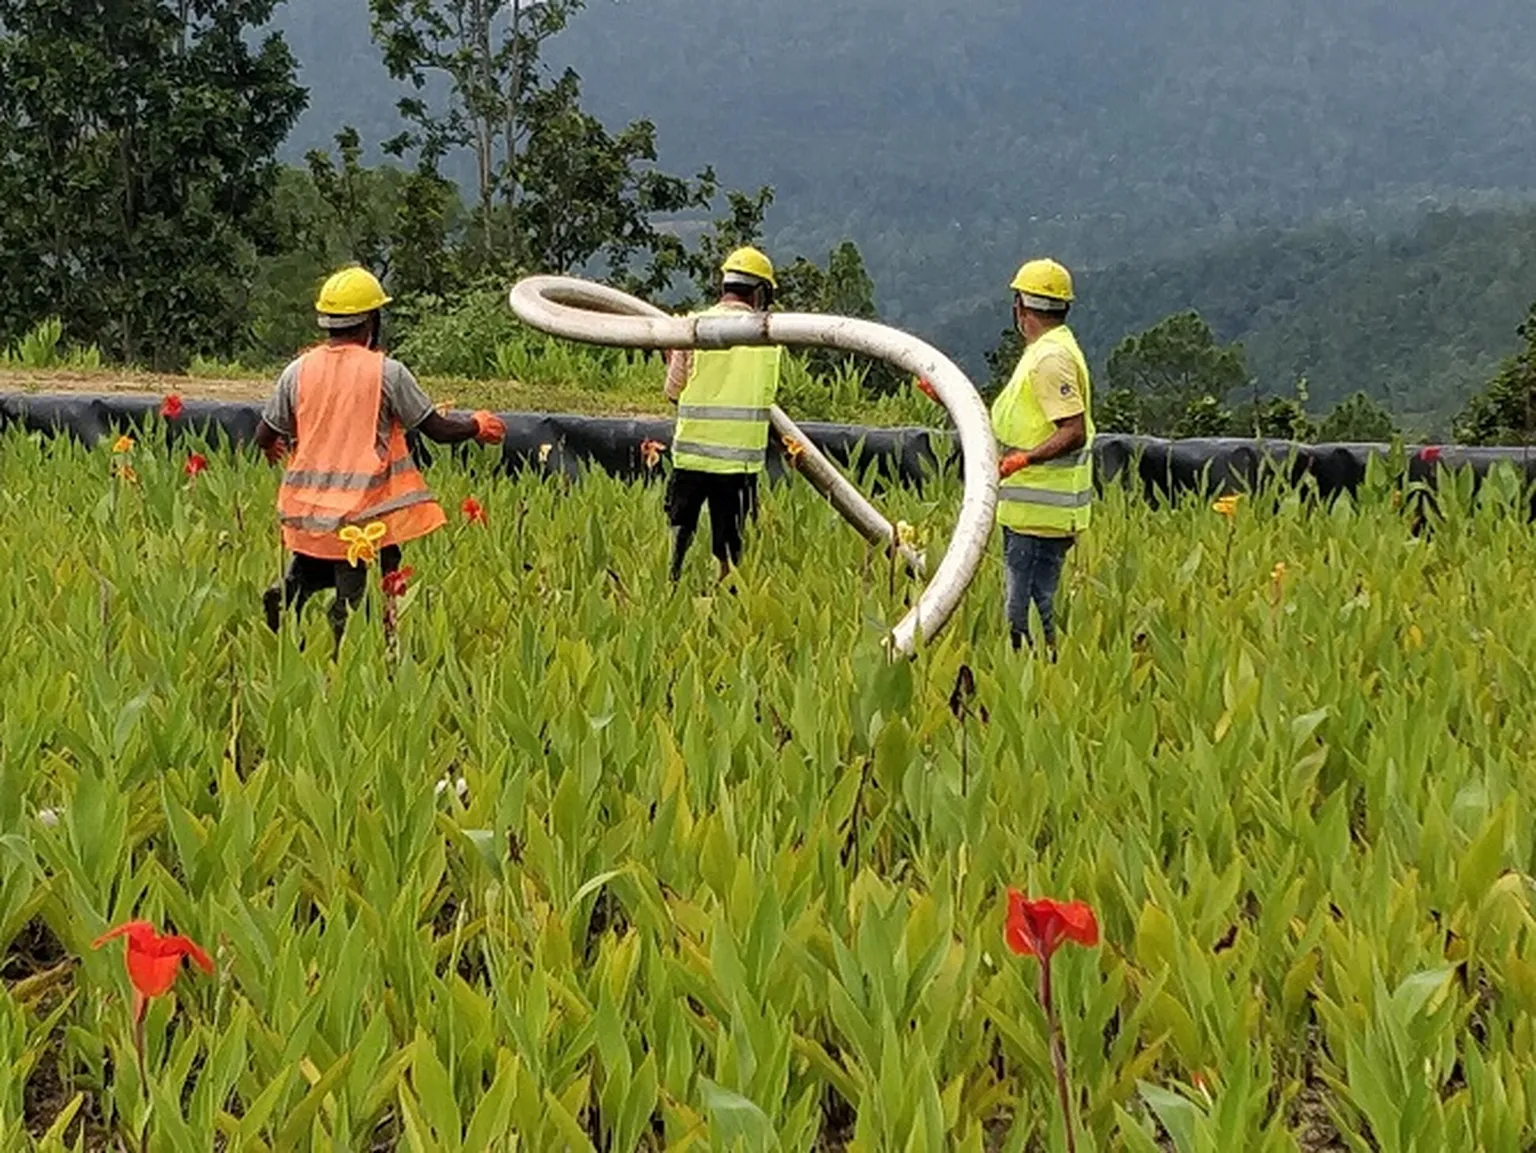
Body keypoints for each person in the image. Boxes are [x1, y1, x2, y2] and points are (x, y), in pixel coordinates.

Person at [254, 266, 506, 645]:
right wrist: (477, 425)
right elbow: (436, 430)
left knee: (313, 558)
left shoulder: (297, 371)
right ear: (372, 318)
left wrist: (272, 447)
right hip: (360, 509)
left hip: (303, 507)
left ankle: (289, 593)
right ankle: (345, 633)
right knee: (350, 584)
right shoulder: (388, 373)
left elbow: (264, 435)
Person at [987, 258, 1095, 656]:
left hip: (1041, 519)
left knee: (1027, 612)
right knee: (1026, 605)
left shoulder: (1050, 359)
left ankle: (1040, 684)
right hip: (1027, 514)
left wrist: (1025, 460)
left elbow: (1073, 430)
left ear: (1021, 306)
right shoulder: (1045, 351)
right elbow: (1015, 421)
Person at [663, 246, 784, 583]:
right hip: (738, 463)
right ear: (760, 292)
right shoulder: (772, 341)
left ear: (724, 286)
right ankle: (726, 598)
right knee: (730, 547)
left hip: (691, 455)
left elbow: (673, 391)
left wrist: (670, 354)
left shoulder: (691, 327)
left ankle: (669, 587)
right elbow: (767, 395)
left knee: (678, 534)